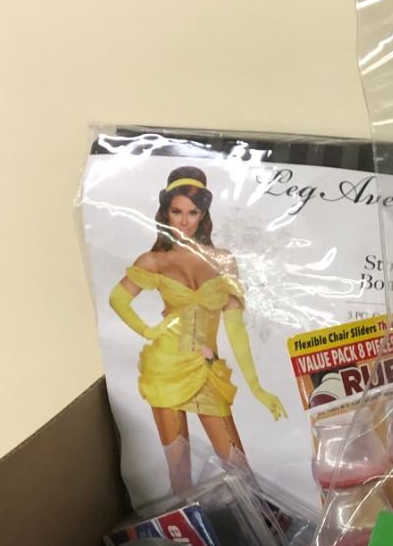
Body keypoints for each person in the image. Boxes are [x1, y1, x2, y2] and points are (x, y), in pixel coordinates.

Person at [108, 166, 286, 494]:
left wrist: (257, 387)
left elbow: (236, 329)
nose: (184, 221)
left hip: (206, 368)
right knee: (179, 472)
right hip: (164, 367)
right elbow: (117, 299)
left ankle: (261, 519)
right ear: (165, 213)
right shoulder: (154, 261)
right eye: (176, 212)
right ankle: (189, 526)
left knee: (238, 464)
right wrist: (149, 332)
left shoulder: (223, 260)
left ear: (203, 215)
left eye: (192, 213)